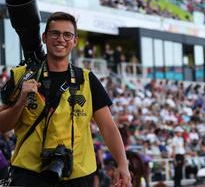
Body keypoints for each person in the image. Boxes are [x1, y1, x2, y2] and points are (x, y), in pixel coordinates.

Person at [0, 12, 131, 187]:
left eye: (67, 35)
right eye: (55, 33)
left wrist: (123, 164)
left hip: (77, 174)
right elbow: (2, 127)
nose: (61, 39)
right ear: (44, 38)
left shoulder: (87, 80)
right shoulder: (21, 76)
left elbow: (108, 127)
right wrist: (21, 101)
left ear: (75, 41)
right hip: (28, 174)